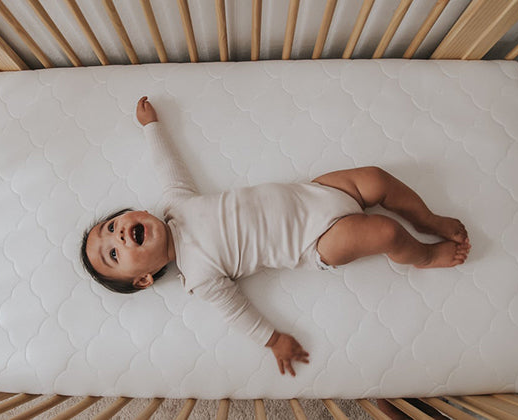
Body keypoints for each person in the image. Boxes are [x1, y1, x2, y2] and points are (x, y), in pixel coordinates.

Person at [81, 96, 471, 377]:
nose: (118, 237)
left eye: (111, 227)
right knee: (385, 231)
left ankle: (428, 218)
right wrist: (273, 341)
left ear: (138, 213)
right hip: (317, 239)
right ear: (145, 279)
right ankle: (422, 255)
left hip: (313, 193)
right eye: (113, 253)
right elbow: (237, 313)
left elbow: (168, 166)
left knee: (376, 178)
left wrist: (151, 128)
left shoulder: (176, 204)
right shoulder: (198, 275)